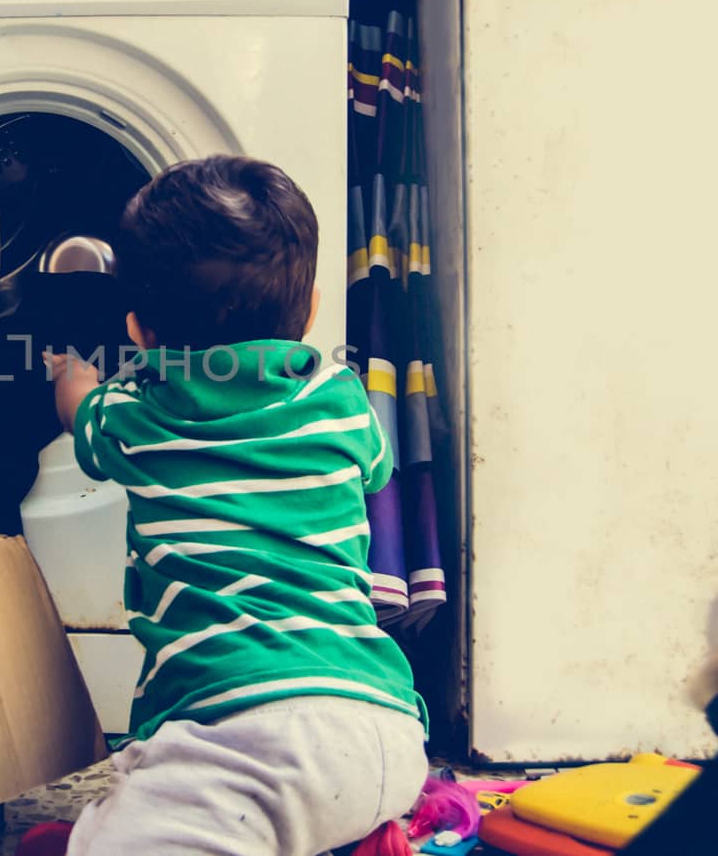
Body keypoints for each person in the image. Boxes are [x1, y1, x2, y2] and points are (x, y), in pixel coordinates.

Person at [38, 156, 428, 855]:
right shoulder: (338, 401)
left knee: (112, 838)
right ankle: (352, 833)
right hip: (383, 727)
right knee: (274, 806)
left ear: (139, 330)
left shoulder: (133, 412)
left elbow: (82, 420)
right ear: (309, 308)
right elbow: (376, 468)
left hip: (240, 738)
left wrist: (73, 376)